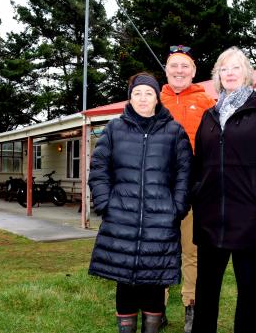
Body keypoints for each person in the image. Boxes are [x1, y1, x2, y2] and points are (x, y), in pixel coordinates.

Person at [191, 47, 256, 333]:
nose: (230, 73)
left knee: (251, 293)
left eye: (236, 67)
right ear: (218, 77)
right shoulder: (209, 116)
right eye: (224, 69)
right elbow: (199, 163)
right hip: (211, 220)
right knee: (207, 291)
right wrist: (197, 191)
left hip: (250, 219)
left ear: (247, 74)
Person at [88, 72, 193, 333]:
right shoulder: (114, 129)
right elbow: (99, 168)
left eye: (149, 93)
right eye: (138, 93)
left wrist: (177, 207)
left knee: (154, 281)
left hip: (161, 221)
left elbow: (185, 173)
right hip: (121, 218)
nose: (143, 98)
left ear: (157, 98)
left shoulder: (174, 131)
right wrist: (105, 204)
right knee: (124, 281)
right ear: (130, 97)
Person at [160, 44, 216, 333]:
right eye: (174, 66)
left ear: (193, 71)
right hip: (161, 189)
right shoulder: (155, 101)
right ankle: (157, 307)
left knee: (191, 250)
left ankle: (191, 305)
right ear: (166, 70)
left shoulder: (206, 101)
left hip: (194, 189)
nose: (179, 71)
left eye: (185, 66)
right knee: (160, 249)